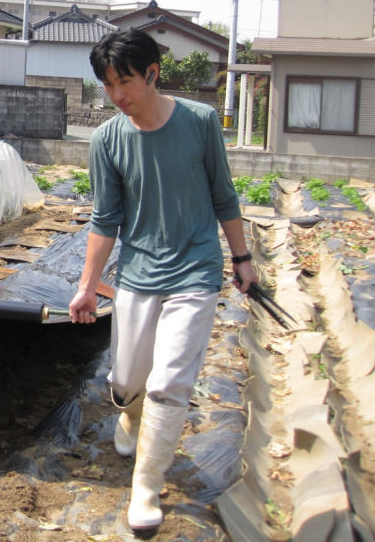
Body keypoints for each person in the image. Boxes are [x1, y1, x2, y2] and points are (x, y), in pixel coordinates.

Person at [68, 29, 256, 535]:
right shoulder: (107, 139)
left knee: (171, 380)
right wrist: (88, 285)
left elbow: (224, 194)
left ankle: (146, 486)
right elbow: (105, 220)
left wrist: (241, 257)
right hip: (138, 272)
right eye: (107, 85)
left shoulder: (199, 122)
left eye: (124, 82)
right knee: (127, 379)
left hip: (195, 268)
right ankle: (129, 415)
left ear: (152, 74)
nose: (116, 96)